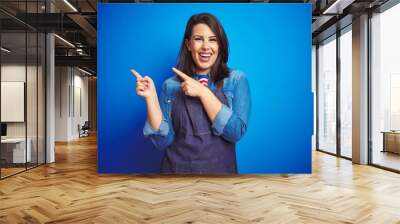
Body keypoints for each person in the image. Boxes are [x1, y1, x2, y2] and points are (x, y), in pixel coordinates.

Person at [131, 13, 251, 174]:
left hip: (220, 178)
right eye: (199, 39)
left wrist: (203, 93)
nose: (206, 46)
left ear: (220, 45)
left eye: (213, 39)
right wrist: (151, 99)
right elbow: (162, 142)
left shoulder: (236, 80)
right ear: (188, 44)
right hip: (176, 176)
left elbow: (235, 132)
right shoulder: (170, 86)